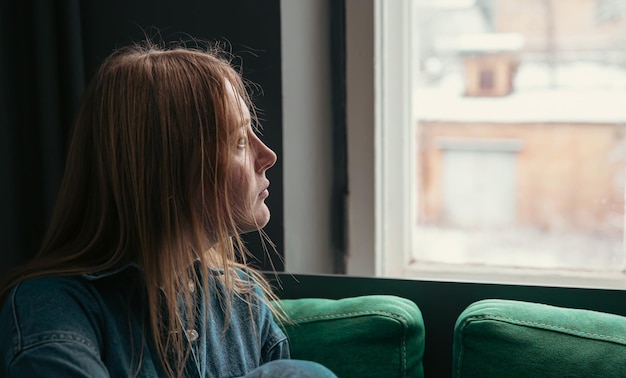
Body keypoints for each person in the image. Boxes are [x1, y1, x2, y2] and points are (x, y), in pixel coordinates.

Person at [0, 41, 336, 377]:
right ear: (169, 168)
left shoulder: (244, 304)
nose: (268, 156)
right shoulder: (53, 307)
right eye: (239, 141)